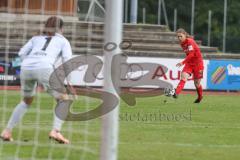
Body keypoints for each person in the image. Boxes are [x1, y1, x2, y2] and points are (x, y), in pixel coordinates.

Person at [0, 16, 72, 144]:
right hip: (45, 68)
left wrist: (30, 63)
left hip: (26, 67)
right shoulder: (63, 41)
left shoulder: (36, 38)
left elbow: (21, 53)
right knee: (64, 99)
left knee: (26, 101)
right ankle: (56, 131)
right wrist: (67, 80)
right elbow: (67, 61)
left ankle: (7, 131)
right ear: (61, 28)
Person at [173, 28, 204, 103]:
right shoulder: (182, 44)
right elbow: (189, 55)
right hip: (189, 63)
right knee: (183, 77)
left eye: (181, 36)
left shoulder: (190, 41)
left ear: (185, 35)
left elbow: (191, 54)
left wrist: (182, 62)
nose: (179, 38)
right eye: (178, 37)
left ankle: (200, 97)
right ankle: (176, 93)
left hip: (198, 64)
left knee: (197, 83)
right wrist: (185, 62)